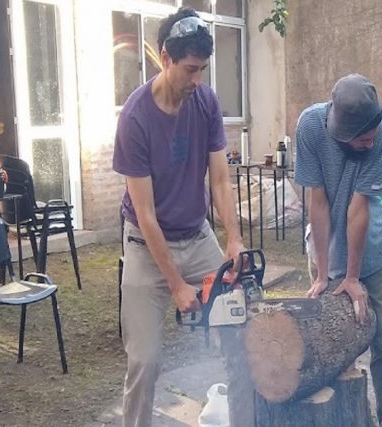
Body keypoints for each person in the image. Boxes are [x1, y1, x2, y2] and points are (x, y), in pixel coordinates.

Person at [111, 8, 245, 427]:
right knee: (145, 361)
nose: (197, 80)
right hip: (146, 246)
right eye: (190, 70)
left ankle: (248, 417)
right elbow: (146, 215)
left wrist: (234, 239)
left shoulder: (204, 101)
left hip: (197, 235)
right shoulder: (134, 119)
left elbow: (220, 180)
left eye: (202, 70)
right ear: (165, 59)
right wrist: (176, 284)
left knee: (241, 334)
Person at [295, 73, 382, 427]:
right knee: (334, 346)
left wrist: (353, 276)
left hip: (369, 248)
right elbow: (318, 202)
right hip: (326, 245)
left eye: (373, 136)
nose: (370, 142)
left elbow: (360, 209)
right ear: (341, 130)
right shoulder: (310, 126)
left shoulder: (378, 133)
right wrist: (325, 274)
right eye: (362, 139)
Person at [306, 149, 382, 280]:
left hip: (380, 231)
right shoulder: (332, 158)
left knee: (366, 255)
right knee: (314, 241)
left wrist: (367, 209)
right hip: (337, 231)